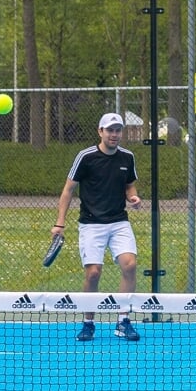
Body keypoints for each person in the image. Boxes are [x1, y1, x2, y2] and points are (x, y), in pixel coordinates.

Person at [53, 112, 143, 342]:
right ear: (100, 132)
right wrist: (59, 223)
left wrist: (133, 198)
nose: (114, 135)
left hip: (119, 222)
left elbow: (130, 186)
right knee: (93, 273)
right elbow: (68, 191)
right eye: (110, 130)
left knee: (130, 265)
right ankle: (88, 323)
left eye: (118, 130)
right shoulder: (86, 157)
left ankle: (123, 321)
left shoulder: (127, 157)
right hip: (91, 224)